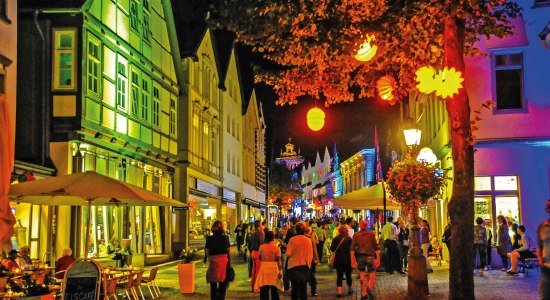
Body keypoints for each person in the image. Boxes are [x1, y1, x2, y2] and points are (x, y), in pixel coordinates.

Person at [351, 220, 380, 300]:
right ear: (366, 225)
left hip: (360, 257)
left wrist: (352, 259)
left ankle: (364, 293)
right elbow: (376, 247)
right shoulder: (371, 234)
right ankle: (370, 286)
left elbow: (352, 249)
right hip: (370, 256)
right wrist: (378, 258)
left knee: (362, 274)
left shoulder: (356, 235)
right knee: (372, 272)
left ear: (360, 226)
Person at [286, 222, 313, 300]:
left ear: (296, 230)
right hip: (304, 266)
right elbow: (310, 254)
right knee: (303, 288)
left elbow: (288, 253)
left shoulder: (292, 240)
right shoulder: (308, 240)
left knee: (294, 289)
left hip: (293, 266)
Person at [204, 220, 230, 300]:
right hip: (223, 262)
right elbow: (228, 250)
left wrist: (209, 259)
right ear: (222, 228)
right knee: (222, 285)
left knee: (213, 285)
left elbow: (207, 250)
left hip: (213, 262)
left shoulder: (209, 238)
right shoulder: (225, 238)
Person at [255, 231, 283, 300]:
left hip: (264, 268)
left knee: (264, 290)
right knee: (274, 289)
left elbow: (259, 258)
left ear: (265, 238)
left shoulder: (261, 247)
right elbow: (278, 261)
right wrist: (280, 271)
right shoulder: (277, 248)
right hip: (274, 268)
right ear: (273, 238)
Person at [330, 225, 353, 298]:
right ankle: (349, 289)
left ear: (339, 231)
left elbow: (332, 249)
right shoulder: (349, 239)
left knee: (339, 276)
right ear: (346, 231)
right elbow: (352, 249)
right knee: (348, 275)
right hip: (347, 260)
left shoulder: (335, 239)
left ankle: (339, 292)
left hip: (338, 260)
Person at [536, 199, 550, 299]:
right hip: (546, 269)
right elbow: (539, 247)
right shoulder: (542, 227)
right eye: (549, 207)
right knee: (544, 297)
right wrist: (540, 259)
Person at [304, 223, 320, 297]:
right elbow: (315, 250)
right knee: (312, 275)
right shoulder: (311, 239)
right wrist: (317, 259)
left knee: (303, 275)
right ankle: (313, 291)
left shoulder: (298, 238)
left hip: (302, 259)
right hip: (310, 259)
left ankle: (303, 291)